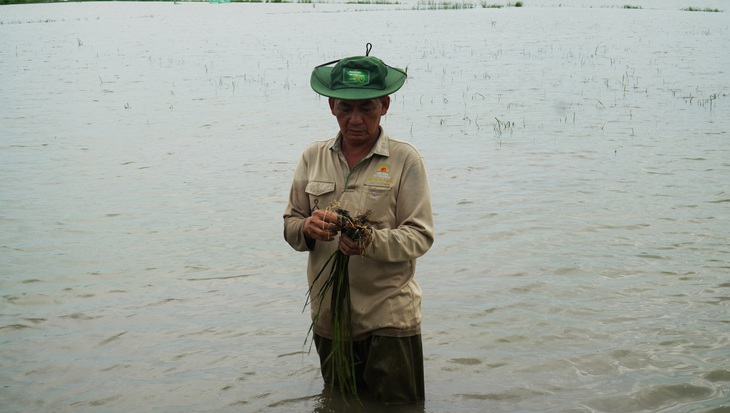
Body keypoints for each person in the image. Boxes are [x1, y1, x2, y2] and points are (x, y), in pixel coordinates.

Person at [283, 45, 434, 405]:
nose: (355, 119)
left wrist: (368, 241)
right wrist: (308, 229)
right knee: (340, 403)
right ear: (331, 106)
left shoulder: (405, 159)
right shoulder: (312, 156)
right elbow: (291, 222)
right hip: (330, 319)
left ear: (384, 105)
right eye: (345, 107)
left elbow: (420, 235)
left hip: (390, 318)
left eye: (366, 107)